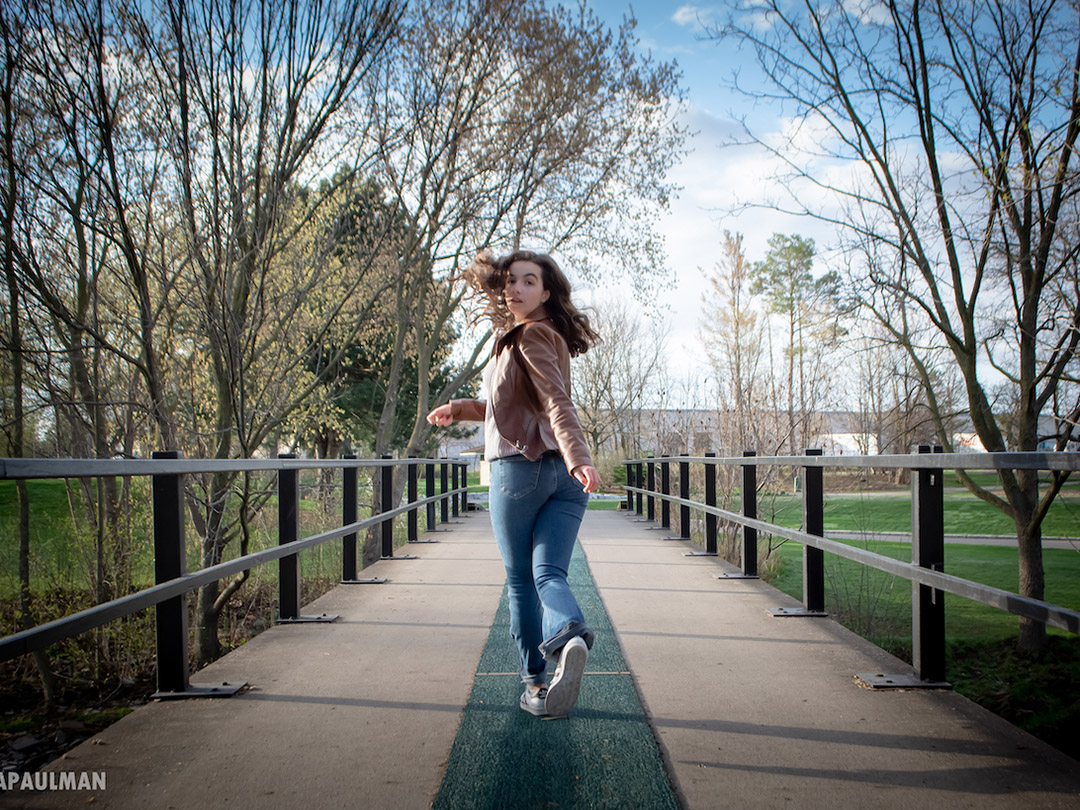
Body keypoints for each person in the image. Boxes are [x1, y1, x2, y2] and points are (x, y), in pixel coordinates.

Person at [427, 249, 601, 718]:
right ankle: (568, 635)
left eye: (528, 281)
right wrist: (461, 408)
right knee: (550, 575)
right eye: (510, 281)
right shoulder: (544, 337)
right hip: (563, 479)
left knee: (522, 582)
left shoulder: (529, 335)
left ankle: (536, 687)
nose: (515, 289)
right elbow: (516, 407)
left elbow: (556, 402)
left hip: (520, 471)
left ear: (546, 291)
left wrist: (580, 456)